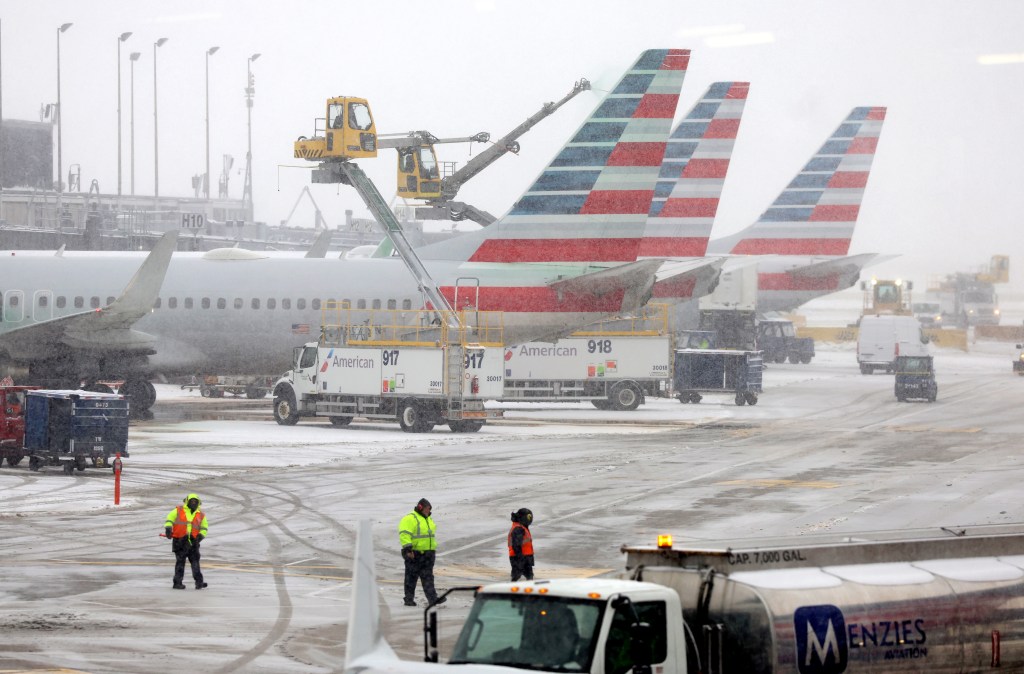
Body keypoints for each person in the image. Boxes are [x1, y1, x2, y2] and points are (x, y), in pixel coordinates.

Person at [398, 498, 444, 607]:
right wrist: (408, 549)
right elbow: (404, 534)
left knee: (428, 577)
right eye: (427, 509)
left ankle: (433, 599)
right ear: (420, 507)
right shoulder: (410, 518)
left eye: (429, 509)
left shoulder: (428, 519)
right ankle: (409, 599)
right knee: (411, 577)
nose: (429, 511)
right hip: (415, 553)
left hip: (428, 554)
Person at [164, 493, 209, 590]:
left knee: (195, 562)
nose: (193, 503)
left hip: (194, 542)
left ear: (198, 503)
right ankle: (177, 583)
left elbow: (204, 528)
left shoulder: (201, 515)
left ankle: (199, 582)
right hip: (180, 541)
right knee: (180, 562)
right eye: (191, 501)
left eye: (195, 501)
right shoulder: (178, 510)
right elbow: (169, 519)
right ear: (187, 502)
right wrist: (168, 528)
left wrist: (200, 536)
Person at [508, 508, 535, 581]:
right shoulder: (518, 528)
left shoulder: (522, 527)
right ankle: (512, 591)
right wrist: (521, 558)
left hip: (524, 557)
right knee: (517, 576)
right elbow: (516, 545)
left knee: (529, 576)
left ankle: (527, 590)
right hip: (519, 557)